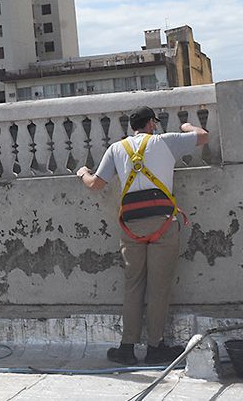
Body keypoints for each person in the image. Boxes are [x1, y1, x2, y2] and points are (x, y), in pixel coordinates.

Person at [76, 105, 208, 366]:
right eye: (154, 123)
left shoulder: (117, 149)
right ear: (151, 124)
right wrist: (187, 127)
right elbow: (203, 136)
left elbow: (95, 185)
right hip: (162, 224)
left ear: (132, 127)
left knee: (133, 285)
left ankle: (127, 348)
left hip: (131, 226)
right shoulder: (164, 142)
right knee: (158, 288)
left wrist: (83, 172)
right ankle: (155, 347)